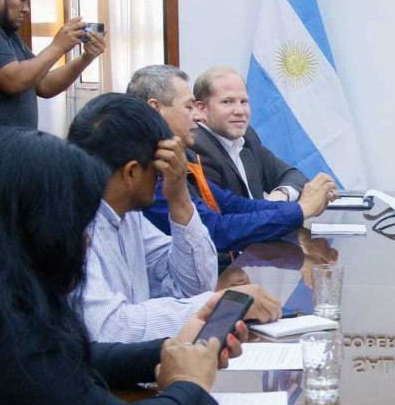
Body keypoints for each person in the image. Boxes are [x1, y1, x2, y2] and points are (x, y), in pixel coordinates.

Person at [0, 127, 245, 405]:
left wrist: (169, 350)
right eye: (77, 223)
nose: (86, 239)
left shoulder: (10, 305)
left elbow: (69, 356)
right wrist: (188, 385)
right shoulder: (11, 335)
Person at [67, 93, 281, 343]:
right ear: (132, 173)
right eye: (158, 169)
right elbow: (111, 329)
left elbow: (194, 285)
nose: (162, 178)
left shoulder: (129, 216)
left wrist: (179, 196)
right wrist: (219, 305)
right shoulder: (70, 225)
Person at [127, 65, 335, 254]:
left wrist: (299, 209)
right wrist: (301, 209)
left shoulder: (170, 162)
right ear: (155, 109)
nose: (198, 117)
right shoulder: (145, 173)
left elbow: (236, 205)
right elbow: (215, 231)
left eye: (244, 101)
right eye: (189, 107)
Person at [0, 0, 105, 128]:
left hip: (20, 143)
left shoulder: (10, 36)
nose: (26, 9)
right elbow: (14, 80)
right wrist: (58, 46)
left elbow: (44, 85)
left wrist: (86, 58)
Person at [191, 66, 312, 201]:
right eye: (227, 102)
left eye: (244, 102)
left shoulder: (247, 137)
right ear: (201, 109)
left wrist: (281, 195)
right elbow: (228, 211)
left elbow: (294, 176)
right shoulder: (196, 148)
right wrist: (273, 208)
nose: (240, 111)